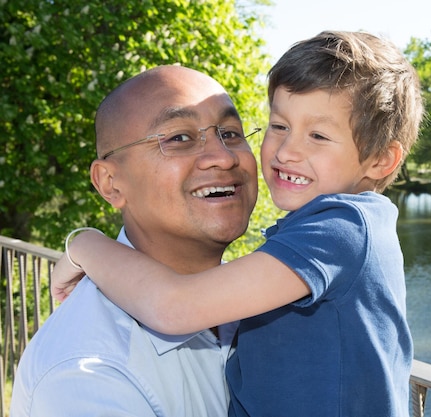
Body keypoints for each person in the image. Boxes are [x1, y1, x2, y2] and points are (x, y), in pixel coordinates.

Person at [52, 30, 424, 416]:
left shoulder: (342, 229)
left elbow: (174, 307)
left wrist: (85, 246)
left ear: (381, 160)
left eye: (317, 135)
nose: (287, 150)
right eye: (279, 126)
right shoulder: (85, 373)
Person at [10, 65, 259, 416]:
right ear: (110, 183)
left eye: (231, 133)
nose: (224, 156)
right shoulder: (88, 374)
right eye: (179, 138)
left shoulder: (268, 300)